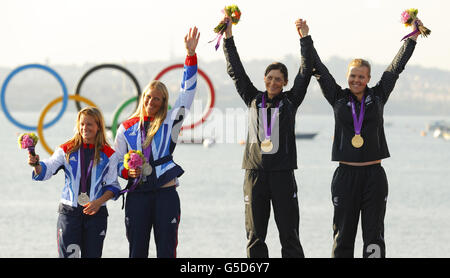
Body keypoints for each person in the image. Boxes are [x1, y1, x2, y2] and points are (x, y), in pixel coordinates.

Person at [308, 20, 422, 258]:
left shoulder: (379, 96)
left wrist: (412, 38)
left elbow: (395, 68)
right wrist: (305, 38)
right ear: (347, 77)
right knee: (343, 236)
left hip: (374, 176)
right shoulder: (338, 97)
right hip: (345, 176)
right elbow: (318, 69)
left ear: (369, 78)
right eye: (352, 76)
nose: (356, 80)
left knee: (374, 236)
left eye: (361, 77)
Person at [222, 17, 314, 258]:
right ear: (265, 79)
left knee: (289, 235)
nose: (273, 82)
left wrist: (304, 38)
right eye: (270, 77)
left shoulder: (290, 101)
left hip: (283, 175)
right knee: (255, 236)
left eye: (278, 79)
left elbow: (305, 72)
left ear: (284, 83)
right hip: (255, 175)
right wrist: (228, 38)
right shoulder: (252, 98)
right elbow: (236, 71)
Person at [114, 27, 200, 258]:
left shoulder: (172, 120)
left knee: (166, 251)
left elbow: (187, 92)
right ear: (143, 98)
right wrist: (127, 171)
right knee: (137, 251)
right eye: (148, 97)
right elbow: (114, 164)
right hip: (137, 194)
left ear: (163, 102)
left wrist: (190, 56)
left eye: (158, 99)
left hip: (165, 193)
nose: (152, 101)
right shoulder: (126, 127)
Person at [28, 106, 121, 258]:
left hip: (96, 214)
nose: (85, 128)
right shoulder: (66, 149)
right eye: (82, 124)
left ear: (98, 126)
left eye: (89, 124)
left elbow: (113, 186)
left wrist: (98, 202)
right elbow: (48, 168)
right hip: (69, 214)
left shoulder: (109, 154)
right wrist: (36, 164)